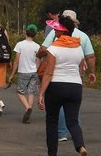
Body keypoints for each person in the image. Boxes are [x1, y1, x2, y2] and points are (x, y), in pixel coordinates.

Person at [37, 9, 96, 141]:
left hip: (57, 74)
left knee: (59, 105)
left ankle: (62, 132)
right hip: (76, 72)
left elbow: (44, 49)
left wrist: (38, 55)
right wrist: (92, 72)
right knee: (73, 104)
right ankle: (76, 133)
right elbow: (90, 56)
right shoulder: (83, 36)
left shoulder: (55, 33)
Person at [38, 16, 89, 156]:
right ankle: (81, 147)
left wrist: (41, 93)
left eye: (56, 29)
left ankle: (52, 155)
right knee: (72, 121)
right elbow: (80, 70)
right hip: (75, 86)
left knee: (52, 120)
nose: (54, 30)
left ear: (61, 31)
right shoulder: (78, 47)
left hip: (56, 86)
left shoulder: (53, 48)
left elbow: (48, 72)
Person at [9, 24, 41, 124]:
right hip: (33, 71)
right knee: (31, 91)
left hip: (23, 71)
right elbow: (38, 60)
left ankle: (27, 108)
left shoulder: (20, 44)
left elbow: (17, 60)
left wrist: (12, 73)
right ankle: (30, 107)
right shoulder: (37, 46)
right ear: (35, 34)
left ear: (25, 32)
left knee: (20, 91)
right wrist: (37, 70)